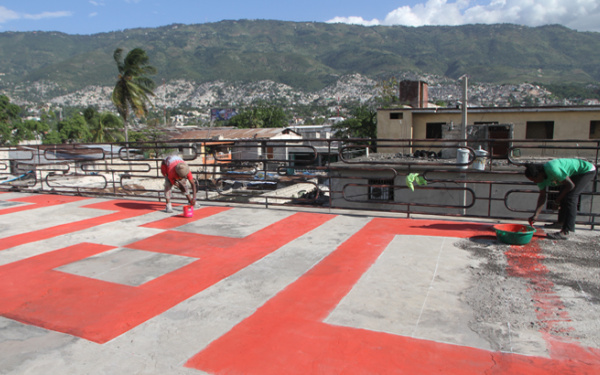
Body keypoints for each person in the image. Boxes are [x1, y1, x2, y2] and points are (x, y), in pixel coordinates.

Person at [525, 158, 596, 240]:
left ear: (539, 174)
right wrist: (536, 215)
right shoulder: (540, 180)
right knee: (563, 194)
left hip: (586, 170)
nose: (535, 182)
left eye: (534, 179)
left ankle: (567, 231)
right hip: (572, 174)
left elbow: (570, 185)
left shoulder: (552, 169)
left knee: (571, 197)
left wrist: (557, 201)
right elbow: (542, 197)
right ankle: (560, 223)